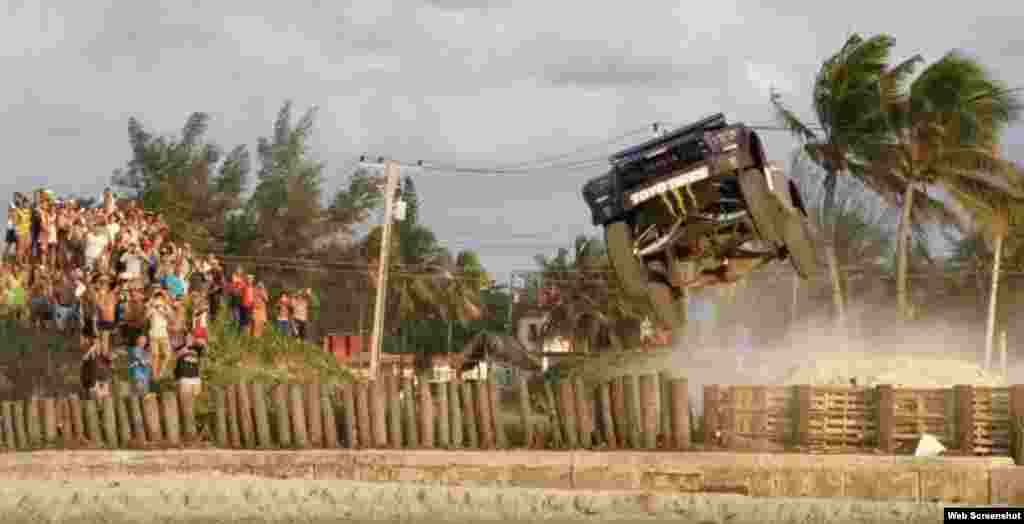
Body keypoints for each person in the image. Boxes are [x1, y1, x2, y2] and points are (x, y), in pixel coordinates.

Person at [146, 288, 172, 380]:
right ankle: (154, 375)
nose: (159, 299)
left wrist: (163, 309)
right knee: (155, 355)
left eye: (161, 297)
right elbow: (147, 316)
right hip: (154, 334)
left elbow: (171, 317)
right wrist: (152, 305)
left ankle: (160, 372)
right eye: (157, 297)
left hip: (164, 334)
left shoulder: (166, 306)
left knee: (167, 355)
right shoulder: (151, 306)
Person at [174, 332, 205, 397]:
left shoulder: (198, 348)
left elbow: (202, 343)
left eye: (191, 337)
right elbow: (177, 355)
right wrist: (187, 347)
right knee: (185, 398)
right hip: (184, 378)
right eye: (188, 337)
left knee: (196, 398)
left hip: (195, 378)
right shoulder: (180, 347)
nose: (190, 338)